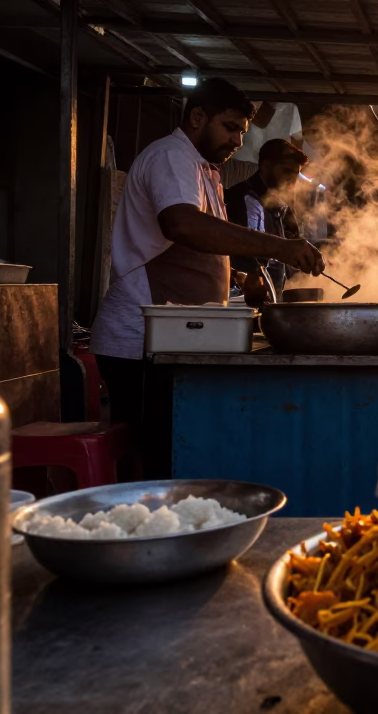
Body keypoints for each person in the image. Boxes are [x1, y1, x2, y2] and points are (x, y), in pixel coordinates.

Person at [90, 79, 325, 478]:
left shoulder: (204, 169)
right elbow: (181, 225)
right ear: (198, 117)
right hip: (140, 343)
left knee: (175, 450)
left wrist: (235, 273)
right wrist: (279, 247)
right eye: (230, 127)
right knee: (157, 457)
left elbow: (188, 247)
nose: (236, 141)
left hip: (173, 338)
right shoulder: (171, 157)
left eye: (242, 133)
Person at [224, 137, 309, 300]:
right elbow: (248, 255)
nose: (293, 180)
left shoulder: (283, 207)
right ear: (266, 166)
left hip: (273, 300)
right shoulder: (242, 198)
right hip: (241, 301)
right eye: (286, 171)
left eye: (297, 174)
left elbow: (293, 248)